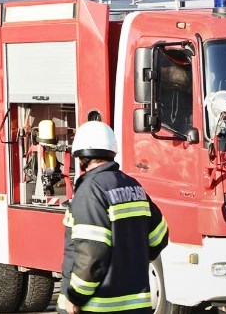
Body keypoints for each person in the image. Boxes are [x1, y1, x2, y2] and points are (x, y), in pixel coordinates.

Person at [59, 121, 168, 314]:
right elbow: (160, 236)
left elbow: (92, 254)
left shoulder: (90, 191)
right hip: (137, 306)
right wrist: (134, 257)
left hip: (97, 307)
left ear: (81, 156)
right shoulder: (133, 186)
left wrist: (75, 296)